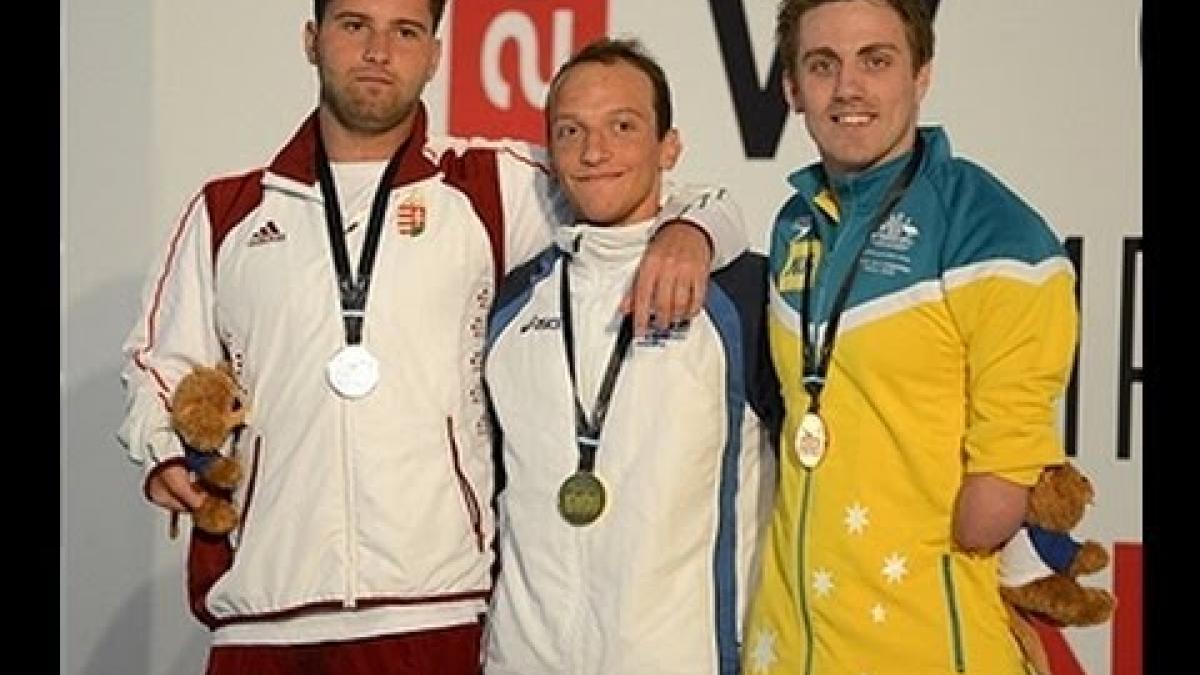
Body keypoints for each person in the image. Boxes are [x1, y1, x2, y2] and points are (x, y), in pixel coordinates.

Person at [116, 1, 747, 673]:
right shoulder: (230, 211)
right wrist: (164, 450)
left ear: (437, 54)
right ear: (311, 39)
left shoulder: (490, 187)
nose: (379, 51)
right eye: (355, 25)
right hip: (262, 617)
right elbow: (156, 365)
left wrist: (696, 232)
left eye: (406, 31)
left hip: (437, 612)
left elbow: (637, 189)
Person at [741, 0, 1079, 673]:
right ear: (791, 89)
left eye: (876, 59)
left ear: (921, 73)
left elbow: (992, 508)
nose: (848, 88)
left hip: (926, 645)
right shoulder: (794, 223)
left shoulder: (994, 231)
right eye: (822, 64)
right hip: (788, 646)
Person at [481, 38, 782, 675]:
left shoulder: (742, 295)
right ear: (551, 153)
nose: (595, 152)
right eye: (571, 131)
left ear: (668, 147)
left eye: (623, 126)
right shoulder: (509, 304)